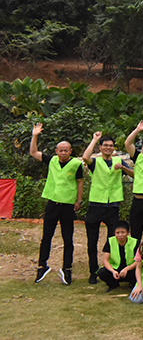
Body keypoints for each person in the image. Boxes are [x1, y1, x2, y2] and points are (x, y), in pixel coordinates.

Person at [31, 122, 84, 285]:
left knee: (67, 238)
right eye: (60, 150)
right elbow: (33, 152)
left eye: (66, 150)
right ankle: (42, 266)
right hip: (52, 203)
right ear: (56, 151)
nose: (63, 153)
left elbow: (80, 182)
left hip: (68, 205)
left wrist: (79, 200)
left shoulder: (76, 164)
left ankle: (67, 268)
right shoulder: (52, 160)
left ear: (70, 151)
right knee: (46, 236)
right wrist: (35, 136)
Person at [81, 131, 127, 285]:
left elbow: (133, 174)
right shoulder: (95, 162)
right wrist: (95, 139)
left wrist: (123, 168)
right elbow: (85, 157)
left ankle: (112, 270)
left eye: (111, 145)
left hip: (112, 206)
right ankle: (93, 271)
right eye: (105, 145)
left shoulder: (118, 160)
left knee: (113, 241)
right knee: (92, 241)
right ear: (100, 148)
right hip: (95, 205)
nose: (108, 148)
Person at [97, 220, 138, 293]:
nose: (120, 235)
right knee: (101, 272)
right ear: (114, 233)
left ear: (128, 232)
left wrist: (126, 269)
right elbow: (105, 260)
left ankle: (132, 284)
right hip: (115, 270)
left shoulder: (134, 242)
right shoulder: (110, 241)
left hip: (129, 270)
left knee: (140, 269)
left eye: (123, 232)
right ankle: (113, 285)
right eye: (117, 233)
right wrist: (112, 271)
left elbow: (139, 261)